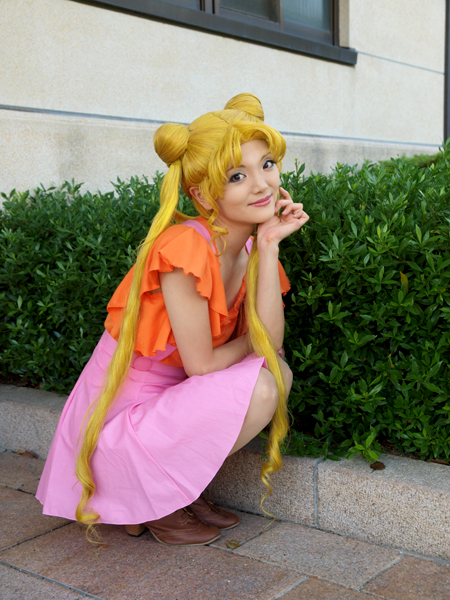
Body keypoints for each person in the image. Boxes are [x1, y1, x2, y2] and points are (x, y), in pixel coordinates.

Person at [36, 93, 309, 546]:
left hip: (171, 404)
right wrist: (256, 342)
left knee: (276, 373)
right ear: (201, 193)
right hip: (122, 422)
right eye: (237, 176)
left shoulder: (250, 247)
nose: (261, 185)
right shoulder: (185, 247)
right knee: (263, 382)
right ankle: (143, 495)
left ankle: (173, 490)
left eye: (267, 165)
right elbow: (202, 365)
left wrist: (269, 245)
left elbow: (272, 343)